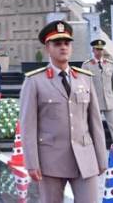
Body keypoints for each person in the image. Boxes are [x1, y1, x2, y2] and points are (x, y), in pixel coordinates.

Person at [20, 21, 107, 202]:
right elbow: (28, 126)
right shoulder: (35, 81)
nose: (63, 47)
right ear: (47, 48)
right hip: (50, 160)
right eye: (57, 43)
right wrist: (32, 163)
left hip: (85, 157)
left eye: (67, 43)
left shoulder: (84, 78)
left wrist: (101, 158)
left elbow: (95, 122)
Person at [82, 39, 113, 158]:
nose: (99, 52)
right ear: (93, 50)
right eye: (97, 49)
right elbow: (83, 85)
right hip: (95, 101)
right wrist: (85, 101)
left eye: (101, 49)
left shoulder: (109, 64)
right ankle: (92, 148)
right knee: (94, 126)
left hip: (109, 100)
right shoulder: (87, 65)